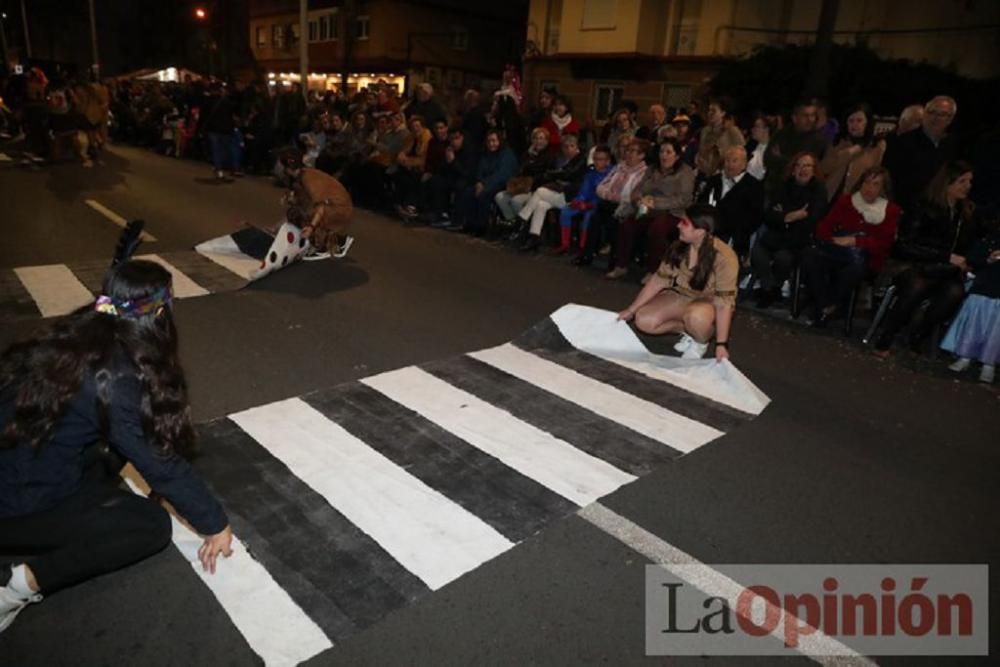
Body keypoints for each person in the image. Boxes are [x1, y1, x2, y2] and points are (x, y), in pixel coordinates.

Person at [0, 260, 233, 634]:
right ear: (159, 314)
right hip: (16, 506)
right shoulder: (116, 378)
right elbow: (160, 462)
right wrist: (215, 523)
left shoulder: (78, 333)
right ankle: (14, 587)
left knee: (111, 446)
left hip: (19, 465)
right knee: (149, 526)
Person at [873, 161, 981, 355]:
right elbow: (903, 246)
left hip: (943, 270)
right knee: (917, 285)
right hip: (913, 265)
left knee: (954, 291)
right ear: (948, 183)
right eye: (962, 181)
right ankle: (887, 335)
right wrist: (946, 256)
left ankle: (917, 334)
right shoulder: (923, 207)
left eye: (969, 181)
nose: (967, 186)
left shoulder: (963, 215)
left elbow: (966, 247)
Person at [617, 205, 739, 361]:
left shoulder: (725, 257)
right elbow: (657, 281)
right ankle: (690, 331)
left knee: (696, 318)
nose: (678, 225)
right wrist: (631, 310)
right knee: (644, 321)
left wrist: (722, 344)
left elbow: (723, 304)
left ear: (700, 231)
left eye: (684, 223)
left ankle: (700, 341)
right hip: (682, 295)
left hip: (710, 302)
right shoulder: (679, 247)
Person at [801, 166, 901, 326]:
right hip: (837, 249)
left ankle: (827, 306)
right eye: (867, 182)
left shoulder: (890, 211)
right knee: (810, 255)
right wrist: (834, 239)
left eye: (875, 184)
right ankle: (826, 305)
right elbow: (824, 227)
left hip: (865, 257)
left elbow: (884, 244)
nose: (869, 188)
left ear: (883, 189)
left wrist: (856, 241)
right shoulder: (846, 201)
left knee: (855, 268)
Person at [607, 139, 695, 282]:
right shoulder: (652, 169)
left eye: (668, 152)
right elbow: (638, 189)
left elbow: (684, 200)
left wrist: (655, 203)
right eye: (661, 152)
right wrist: (638, 199)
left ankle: (653, 271)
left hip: (672, 212)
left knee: (657, 229)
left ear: (677, 156)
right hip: (647, 209)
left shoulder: (685, 172)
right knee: (627, 225)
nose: (664, 156)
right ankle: (621, 266)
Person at [751, 151, 828, 308]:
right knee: (758, 253)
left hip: (800, 240)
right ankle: (769, 288)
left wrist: (784, 214)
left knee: (783, 258)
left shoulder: (818, 191)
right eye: (798, 165)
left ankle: (774, 288)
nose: (802, 169)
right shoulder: (783, 187)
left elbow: (812, 219)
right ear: (792, 169)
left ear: (814, 169)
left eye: (807, 165)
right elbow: (770, 214)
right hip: (776, 234)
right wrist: (790, 217)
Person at [941, 228, 1000, 384]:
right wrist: (989, 259)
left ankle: (989, 363)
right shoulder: (989, 238)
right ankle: (965, 356)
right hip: (983, 288)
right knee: (974, 323)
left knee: (996, 331)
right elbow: (973, 259)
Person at [883, 95, 958, 215]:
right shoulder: (902, 142)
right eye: (931, 112)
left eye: (942, 114)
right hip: (906, 211)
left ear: (950, 119)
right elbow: (889, 181)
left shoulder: (952, 145)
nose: (935, 117)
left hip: (939, 212)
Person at [514, 133, 587, 251]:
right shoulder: (570, 160)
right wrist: (556, 175)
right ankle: (534, 237)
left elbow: (568, 174)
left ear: (576, 146)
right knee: (540, 205)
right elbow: (562, 173)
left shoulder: (581, 159)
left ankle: (522, 218)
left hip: (573, 197)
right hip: (564, 193)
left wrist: (553, 174)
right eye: (566, 147)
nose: (568, 149)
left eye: (572, 146)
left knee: (540, 191)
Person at [281, 151, 354, 260]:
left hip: (339, 209)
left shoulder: (309, 179)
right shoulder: (302, 176)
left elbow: (321, 206)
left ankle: (330, 244)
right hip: (335, 205)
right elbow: (302, 202)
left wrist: (311, 227)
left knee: (312, 215)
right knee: (295, 213)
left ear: (288, 169)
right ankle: (331, 239)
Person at [697, 145, 765, 260]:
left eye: (734, 161)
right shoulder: (714, 181)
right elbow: (702, 205)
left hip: (734, 236)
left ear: (744, 164)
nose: (729, 164)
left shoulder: (754, 186)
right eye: (727, 160)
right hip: (708, 230)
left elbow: (754, 218)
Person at [448, 129, 517, 235]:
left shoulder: (506, 154)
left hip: (502, 183)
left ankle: (481, 227)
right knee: (469, 192)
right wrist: (479, 182)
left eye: (494, 141)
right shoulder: (486, 154)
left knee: (484, 195)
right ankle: (469, 224)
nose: (491, 144)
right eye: (489, 141)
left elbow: (502, 174)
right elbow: (480, 170)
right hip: (485, 183)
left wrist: (485, 184)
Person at [820, 103, 886, 203]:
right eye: (851, 121)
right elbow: (823, 168)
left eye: (859, 121)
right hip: (830, 195)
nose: (855, 125)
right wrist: (848, 153)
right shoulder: (838, 141)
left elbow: (876, 175)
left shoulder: (877, 146)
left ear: (867, 122)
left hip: (856, 200)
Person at [556, 145, 613, 257]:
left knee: (588, 217)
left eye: (600, 159)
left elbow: (606, 196)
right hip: (586, 203)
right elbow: (583, 191)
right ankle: (565, 244)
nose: (597, 162)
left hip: (600, 205)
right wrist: (578, 201)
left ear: (607, 161)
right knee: (565, 211)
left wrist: (589, 204)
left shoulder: (612, 175)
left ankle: (584, 247)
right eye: (595, 159)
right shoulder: (590, 173)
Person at [764, 99, 828, 195]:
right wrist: (791, 161)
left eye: (813, 115)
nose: (810, 120)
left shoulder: (818, 140)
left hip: (802, 192)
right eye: (805, 116)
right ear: (794, 118)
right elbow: (768, 158)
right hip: (775, 188)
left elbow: (807, 167)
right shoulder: (782, 134)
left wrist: (782, 158)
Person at [495, 127, 556, 224]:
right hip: (521, 186)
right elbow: (520, 170)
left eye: (541, 138)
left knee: (516, 201)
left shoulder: (550, 156)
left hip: (535, 188)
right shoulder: (527, 154)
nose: (538, 141)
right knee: (499, 197)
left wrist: (529, 182)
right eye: (535, 138)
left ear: (546, 141)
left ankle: (524, 226)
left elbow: (546, 176)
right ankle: (512, 221)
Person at [694, 97, 745, 179]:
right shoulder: (705, 131)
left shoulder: (732, 131)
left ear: (723, 113)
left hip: (725, 174)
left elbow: (742, 153)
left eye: (713, 111)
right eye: (709, 110)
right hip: (705, 173)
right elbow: (701, 151)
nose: (709, 113)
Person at [746, 112, 774, 182]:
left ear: (766, 129)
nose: (753, 129)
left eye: (756, 126)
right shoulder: (751, 146)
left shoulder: (771, 150)